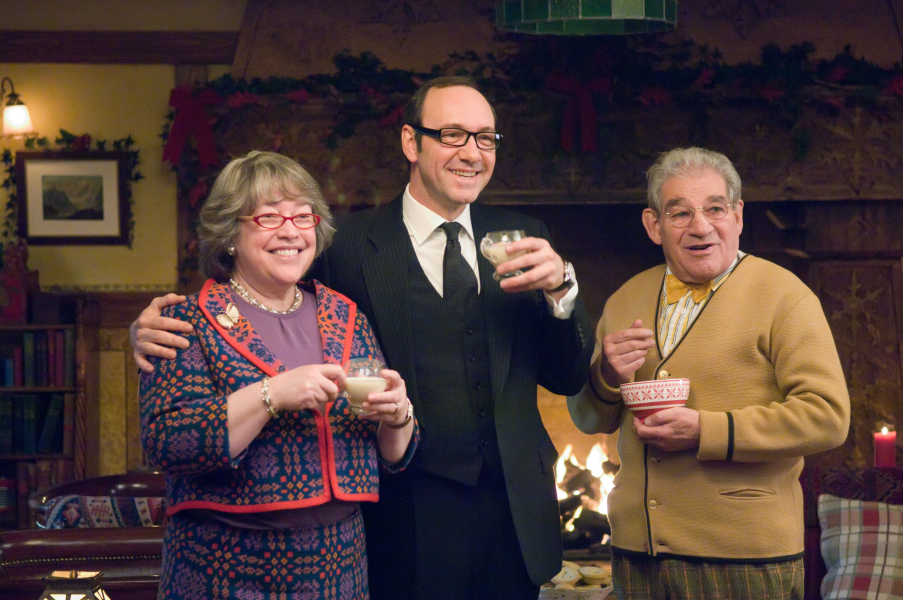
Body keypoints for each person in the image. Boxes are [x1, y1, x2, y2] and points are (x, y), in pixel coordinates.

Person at [132, 76, 594, 600]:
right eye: (453, 135)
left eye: (486, 138)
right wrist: (148, 328)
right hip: (401, 518)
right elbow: (260, 294)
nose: (472, 152)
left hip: (514, 515)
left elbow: (567, 375)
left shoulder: (527, 237)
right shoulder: (344, 245)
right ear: (410, 142)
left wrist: (562, 290)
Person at [568, 147, 850, 600]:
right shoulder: (625, 298)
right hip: (636, 557)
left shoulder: (786, 297)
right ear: (653, 225)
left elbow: (828, 417)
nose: (701, 227)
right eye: (680, 213)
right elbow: (587, 419)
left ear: (737, 216)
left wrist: (707, 430)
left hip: (744, 558)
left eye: (715, 209)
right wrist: (606, 375)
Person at [139, 150, 418, 600]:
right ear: (230, 234)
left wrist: (398, 415)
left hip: (340, 567)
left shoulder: (345, 315)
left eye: (303, 216)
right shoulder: (186, 322)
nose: (290, 231)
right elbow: (168, 443)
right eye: (269, 217)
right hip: (224, 569)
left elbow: (394, 454)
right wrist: (271, 394)